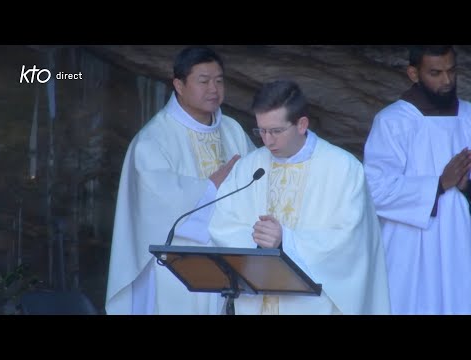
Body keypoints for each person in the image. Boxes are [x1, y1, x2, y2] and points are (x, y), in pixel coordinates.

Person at [208, 79, 391, 315]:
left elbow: (350, 243)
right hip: (256, 303)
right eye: (261, 130)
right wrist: (257, 240)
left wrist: (287, 240)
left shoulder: (342, 168)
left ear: (302, 124)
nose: (267, 140)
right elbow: (222, 223)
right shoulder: (248, 168)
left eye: (276, 131)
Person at [105, 46, 256, 315]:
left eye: (219, 80)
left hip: (226, 259)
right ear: (179, 85)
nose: (213, 88)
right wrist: (211, 186)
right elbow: (156, 203)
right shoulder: (153, 138)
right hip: (175, 267)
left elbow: (258, 181)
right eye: (203, 80)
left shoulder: (232, 130)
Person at [363, 45, 471, 315]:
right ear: (413, 73)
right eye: (435, 73)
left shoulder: (469, 116)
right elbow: (374, 190)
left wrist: (467, 186)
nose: (446, 81)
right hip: (409, 247)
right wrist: (438, 184)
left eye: (451, 71)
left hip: (462, 242)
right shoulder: (392, 122)